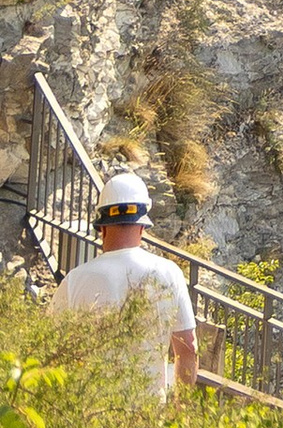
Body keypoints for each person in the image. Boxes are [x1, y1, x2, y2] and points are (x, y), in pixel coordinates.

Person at [54, 169, 197, 396]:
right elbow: (188, 349)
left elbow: (51, 351)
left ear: (102, 227)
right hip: (149, 411)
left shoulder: (74, 281)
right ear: (142, 226)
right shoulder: (170, 273)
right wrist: (181, 408)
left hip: (90, 410)